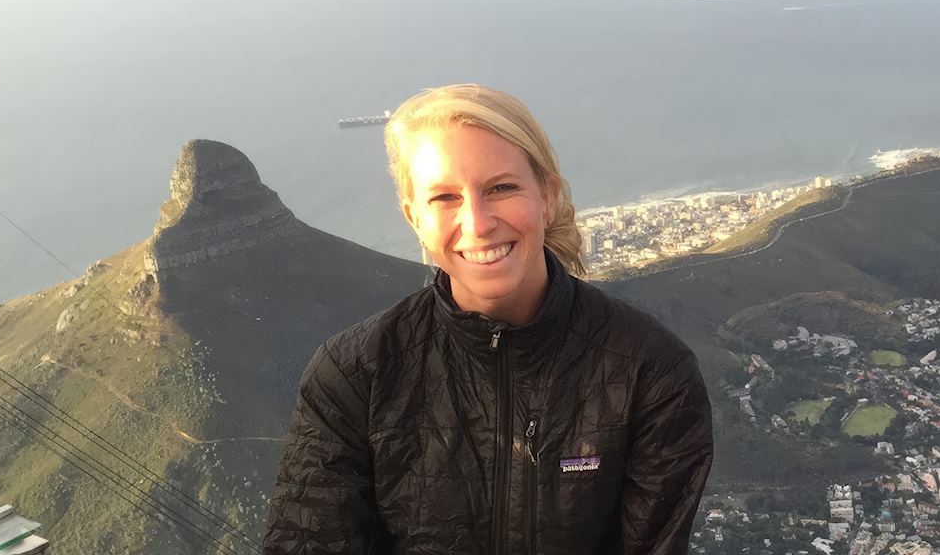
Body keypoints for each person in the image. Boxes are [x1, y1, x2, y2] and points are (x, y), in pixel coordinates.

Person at [263, 84, 714, 554]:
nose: (477, 223)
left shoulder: (648, 371)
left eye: (501, 188)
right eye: (444, 198)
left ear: (548, 196)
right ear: (413, 216)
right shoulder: (356, 373)